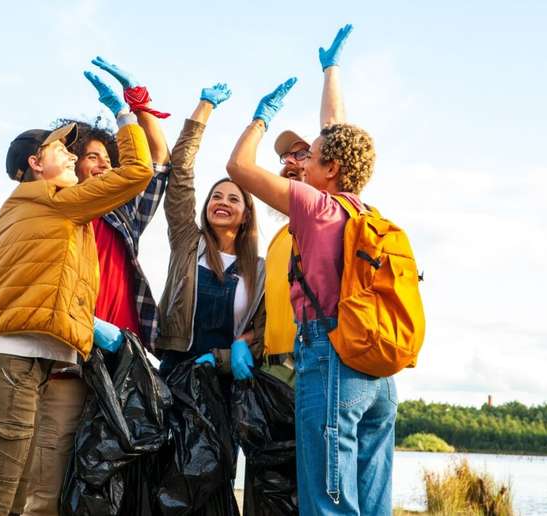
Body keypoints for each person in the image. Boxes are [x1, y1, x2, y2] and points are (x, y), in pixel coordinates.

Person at [0, 80, 153, 515]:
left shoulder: (28, 205)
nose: (70, 155)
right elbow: (139, 172)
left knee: (11, 499)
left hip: (16, 364)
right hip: (10, 364)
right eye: (60, 150)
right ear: (35, 163)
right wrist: (125, 115)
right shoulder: (53, 200)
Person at [226, 25, 398, 515]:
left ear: (331, 171)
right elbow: (337, 130)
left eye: (311, 158)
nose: (303, 163)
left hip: (330, 357)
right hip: (378, 370)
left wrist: (262, 118)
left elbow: (237, 166)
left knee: (327, 502)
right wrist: (331, 71)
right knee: (370, 500)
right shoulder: (363, 211)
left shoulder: (316, 208)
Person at [9, 58, 171, 516]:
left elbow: (158, 165)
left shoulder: (123, 215)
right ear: (71, 164)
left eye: (107, 157)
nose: (99, 165)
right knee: (48, 480)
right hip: (64, 360)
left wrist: (137, 108)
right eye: (90, 157)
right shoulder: (53, 213)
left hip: (117, 363)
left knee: (109, 483)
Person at [157, 82, 266, 393]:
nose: (222, 202)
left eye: (234, 199)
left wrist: (232, 353)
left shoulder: (259, 271)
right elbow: (180, 174)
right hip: (175, 378)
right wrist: (204, 107)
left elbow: (263, 331)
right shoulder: (188, 244)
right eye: (216, 196)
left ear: (246, 215)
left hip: (229, 383)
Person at [262, 25, 350, 388]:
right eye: (284, 157)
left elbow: (336, 134)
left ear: (324, 166)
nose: (290, 163)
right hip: (270, 371)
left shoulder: (328, 213)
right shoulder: (278, 239)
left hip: (316, 360)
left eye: (301, 154)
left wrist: (331, 72)